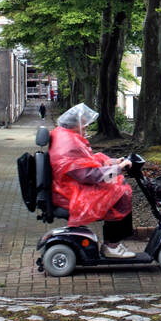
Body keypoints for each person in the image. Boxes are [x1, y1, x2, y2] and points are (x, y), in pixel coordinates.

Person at [50, 103, 136, 258]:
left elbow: (86, 163)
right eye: (84, 124)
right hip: (71, 193)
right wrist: (118, 169)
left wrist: (113, 162)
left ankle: (113, 243)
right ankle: (112, 246)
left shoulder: (64, 136)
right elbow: (89, 174)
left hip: (68, 187)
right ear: (75, 124)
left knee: (118, 186)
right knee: (120, 193)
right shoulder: (69, 143)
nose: (86, 128)